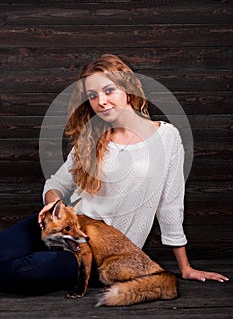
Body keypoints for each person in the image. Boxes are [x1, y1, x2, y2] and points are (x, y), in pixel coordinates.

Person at [0, 54, 228, 295]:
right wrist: (54, 203)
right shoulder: (90, 138)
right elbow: (56, 183)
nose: (101, 101)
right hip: (61, 226)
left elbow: (169, 204)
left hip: (102, 250)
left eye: (109, 90)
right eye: (93, 96)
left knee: (21, 272)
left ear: (128, 90)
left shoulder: (166, 138)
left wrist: (185, 267)